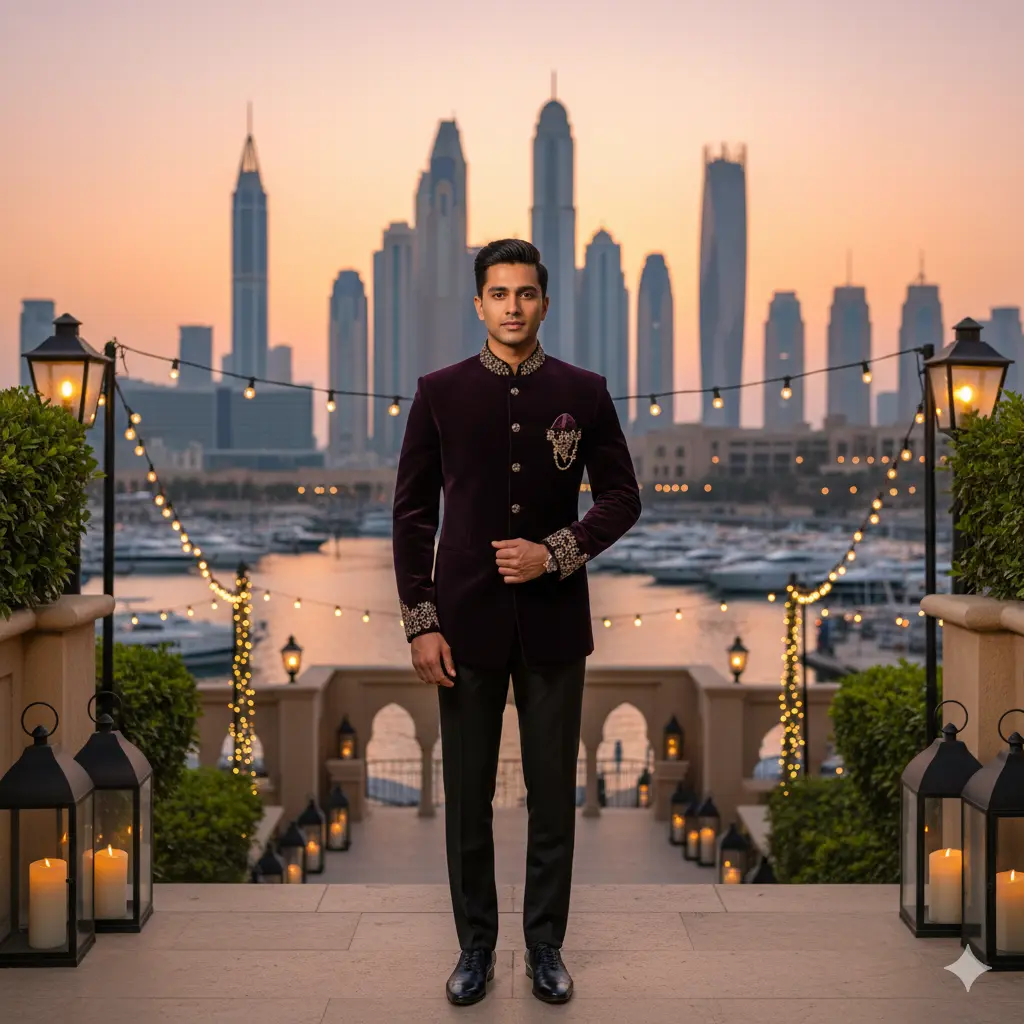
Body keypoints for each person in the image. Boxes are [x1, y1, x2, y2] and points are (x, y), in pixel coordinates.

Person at [392, 238, 641, 1006]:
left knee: (550, 796)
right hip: (461, 626)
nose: (512, 307)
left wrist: (556, 552)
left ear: (544, 301)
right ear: (479, 304)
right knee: (465, 794)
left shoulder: (585, 391)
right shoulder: (439, 391)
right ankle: (474, 948)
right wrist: (420, 623)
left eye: (526, 294)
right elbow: (409, 513)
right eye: (498, 294)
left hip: (554, 623)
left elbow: (622, 498)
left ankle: (544, 947)